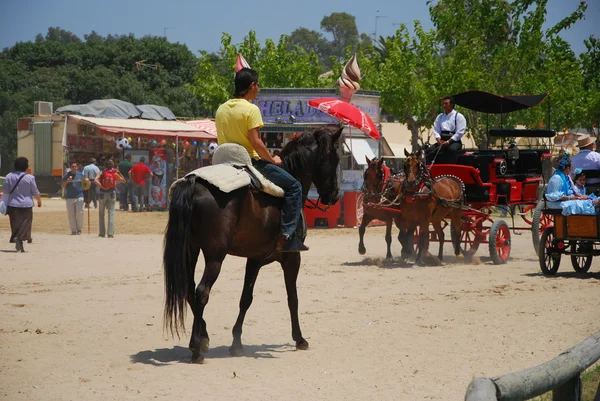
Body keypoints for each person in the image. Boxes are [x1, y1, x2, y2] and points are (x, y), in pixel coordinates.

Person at [215, 67, 306, 252]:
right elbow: (256, 144)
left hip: (222, 162)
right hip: (249, 162)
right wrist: (272, 160)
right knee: (295, 187)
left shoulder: (221, 108)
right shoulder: (251, 109)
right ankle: (287, 236)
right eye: (258, 85)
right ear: (252, 85)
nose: (259, 89)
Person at [1, 157, 42, 252]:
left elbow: (5, 191)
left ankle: (16, 237)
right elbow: (35, 192)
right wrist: (39, 201)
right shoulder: (30, 177)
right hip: (26, 204)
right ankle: (19, 238)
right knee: (26, 223)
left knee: (15, 223)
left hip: (13, 204)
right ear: (26, 166)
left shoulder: (9, 176)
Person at [94, 159, 126, 238]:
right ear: (113, 165)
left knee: (101, 213)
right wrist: (119, 173)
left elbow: (95, 180)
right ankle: (110, 233)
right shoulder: (114, 173)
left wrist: (102, 186)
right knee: (111, 213)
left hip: (102, 193)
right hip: (112, 193)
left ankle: (102, 233)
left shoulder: (102, 172)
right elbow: (123, 181)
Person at [432, 96, 467, 164]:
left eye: (446, 104)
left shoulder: (459, 116)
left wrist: (448, 142)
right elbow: (436, 130)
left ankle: (450, 169)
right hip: (442, 140)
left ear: (451, 105)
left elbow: (460, 132)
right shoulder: (440, 116)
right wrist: (439, 140)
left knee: (451, 150)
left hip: (454, 141)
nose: (444, 105)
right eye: (443, 104)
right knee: (429, 150)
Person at [61, 162, 85, 235]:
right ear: (71, 167)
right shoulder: (66, 175)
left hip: (79, 196)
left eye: (75, 166)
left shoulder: (80, 175)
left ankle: (79, 229)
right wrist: (67, 181)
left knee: (80, 212)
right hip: (70, 197)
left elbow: (85, 184)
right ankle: (74, 230)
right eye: (72, 166)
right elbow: (62, 186)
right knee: (71, 214)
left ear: (77, 167)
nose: (74, 168)